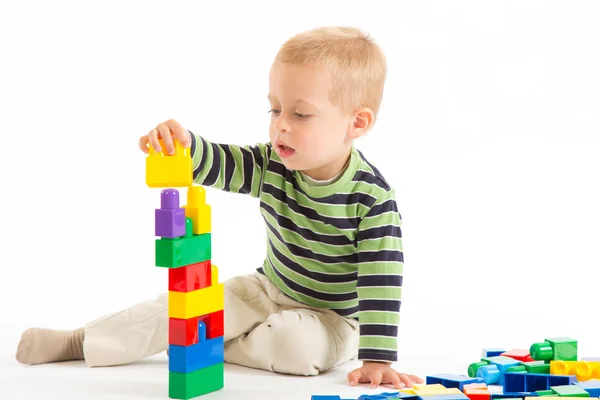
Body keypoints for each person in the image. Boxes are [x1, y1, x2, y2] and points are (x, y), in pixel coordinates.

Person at [15, 26, 422, 390]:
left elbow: (381, 281)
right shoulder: (272, 164)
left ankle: (198, 342)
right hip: (268, 288)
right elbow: (222, 163)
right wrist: (185, 146)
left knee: (293, 345)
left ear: (358, 123)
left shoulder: (372, 200)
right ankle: (82, 341)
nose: (281, 124)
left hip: (332, 318)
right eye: (275, 109)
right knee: (185, 305)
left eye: (300, 114)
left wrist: (377, 359)